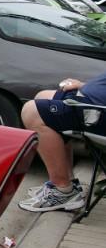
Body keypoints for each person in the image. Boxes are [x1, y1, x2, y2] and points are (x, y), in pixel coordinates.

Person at [18, 74, 106, 212]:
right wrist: (85, 86)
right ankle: (70, 183)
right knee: (42, 96)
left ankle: (62, 190)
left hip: (98, 110)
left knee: (32, 112)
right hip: (94, 103)